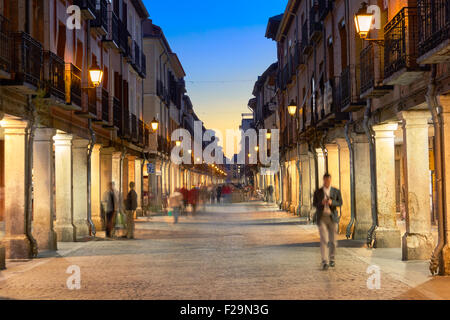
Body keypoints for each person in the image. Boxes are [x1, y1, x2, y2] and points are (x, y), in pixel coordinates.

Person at [313, 173, 343, 270]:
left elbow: (340, 202)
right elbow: (314, 204)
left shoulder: (336, 191)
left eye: (329, 180)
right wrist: (321, 203)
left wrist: (332, 202)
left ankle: (332, 259)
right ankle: (324, 261)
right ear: (323, 180)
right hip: (322, 217)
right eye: (326, 180)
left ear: (330, 180)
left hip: (332, 217)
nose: (327, 182)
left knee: (333, 241)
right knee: (324, 240)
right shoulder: (318, 192)